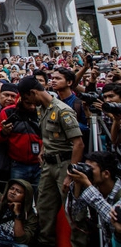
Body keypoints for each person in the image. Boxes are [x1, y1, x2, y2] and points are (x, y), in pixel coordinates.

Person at [18, 76, 84, 247]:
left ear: (33, 93)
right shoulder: (42, 109)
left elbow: (78, 144)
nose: (28, 103)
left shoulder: (63, 110)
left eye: (27, 98)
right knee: (44, 208)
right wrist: (42, 150)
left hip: (65, 164)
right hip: (48, 164)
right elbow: (47, 136)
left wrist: (71, 174)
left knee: (72, 210)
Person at [67, 150, 121, 247]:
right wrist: (78, 185)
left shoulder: (119, 192)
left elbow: (114, 220)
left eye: (90, 169)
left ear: (106, 174)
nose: (86, 172)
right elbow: (74, 214)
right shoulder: (94, 189)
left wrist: (88, 186)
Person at [0, 89, 42, 194]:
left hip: (40, 165)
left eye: (34, 103)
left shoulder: (42, 111)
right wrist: (4, 132)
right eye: (28, 103)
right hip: (18, 165)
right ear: (21, 99)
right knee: (16, 197)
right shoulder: (8, 111)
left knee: (40, 198)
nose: (32, 107)